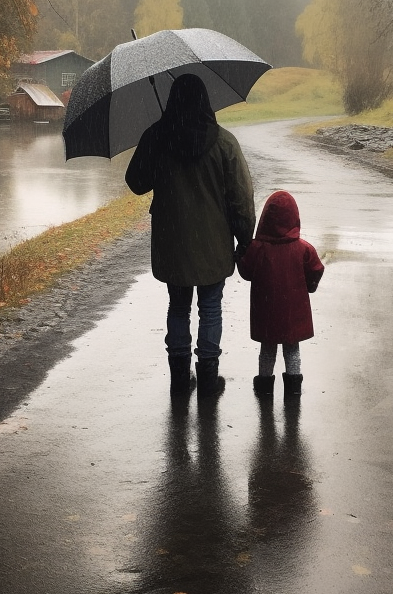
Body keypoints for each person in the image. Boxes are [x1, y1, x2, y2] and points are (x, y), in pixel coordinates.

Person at [125, 73, 255, 397]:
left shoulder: (158, 137)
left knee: (178, 307)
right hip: (213, 244)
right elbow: (241, 197)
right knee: (211, 308)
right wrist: (245, 239)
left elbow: (136, 182)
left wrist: (156, 139)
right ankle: (209, 380)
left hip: (173, 243)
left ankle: (180, 379)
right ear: (206, 101)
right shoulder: (225, 143)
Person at [237, 190, 324, 398]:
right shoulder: (303, 249)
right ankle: (293, 388)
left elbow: (247, 272)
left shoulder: (257, 248)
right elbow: (316, 269)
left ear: (265, 218)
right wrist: (309, 287)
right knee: (292, 349)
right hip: (293, 313)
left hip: (266, 311)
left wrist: (240, 255)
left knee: (267, 349)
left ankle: (264, 387)